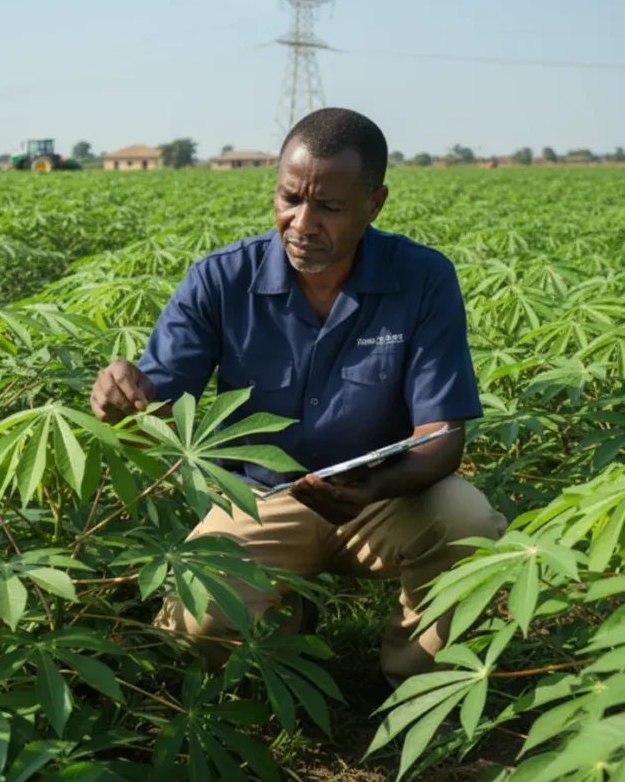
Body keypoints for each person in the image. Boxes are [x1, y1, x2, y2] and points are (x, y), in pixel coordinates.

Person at [90, 108, 506, 690]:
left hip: (384, 500)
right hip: (261, 496)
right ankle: (291, 633)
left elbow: (441, 439)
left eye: (329, 207)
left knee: (467, 520)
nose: (301, 223)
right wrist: (122, 395)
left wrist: (379, 484)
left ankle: (418, 684)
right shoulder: (220, 280)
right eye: (289, 198)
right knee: (195, 629)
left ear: (375, 203)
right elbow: (158, 403)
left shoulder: (422, 278)